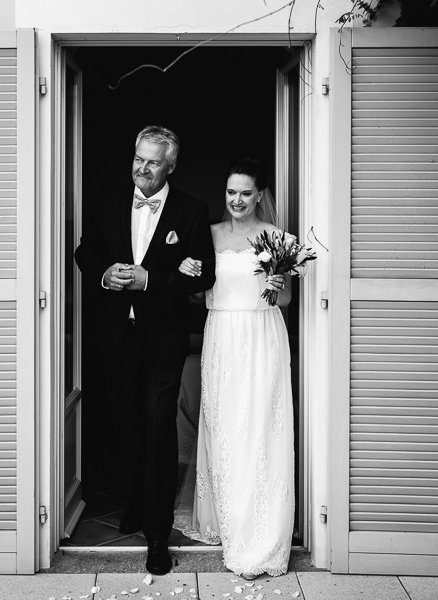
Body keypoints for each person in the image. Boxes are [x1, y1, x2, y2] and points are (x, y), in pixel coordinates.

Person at [74, 125, 216, 575]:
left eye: (153, 161)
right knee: (126, 428)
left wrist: (150, 279)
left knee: (157, 430)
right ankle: (136, 500)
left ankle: (157, 533)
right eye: (138, 158)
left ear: (170, 165)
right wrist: (104, 274)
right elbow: (84, 253)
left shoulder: (192, 211)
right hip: (116, 337)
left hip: (162, 340)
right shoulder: (109, 200)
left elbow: (203, 275)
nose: (142, 168)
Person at [176, 156, 294, 580]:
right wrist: (188, 273)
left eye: (245, 192)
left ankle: (261, 529)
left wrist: (277, 286)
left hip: (262, 337)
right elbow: (196, 295)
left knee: (260, 426)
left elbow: (284, 301)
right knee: (225, 425)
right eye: (231, 192)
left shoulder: (277, 238)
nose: (237, 200)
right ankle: (228, 519)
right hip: (222, 335)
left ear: (259, 194)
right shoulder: (207, 235)